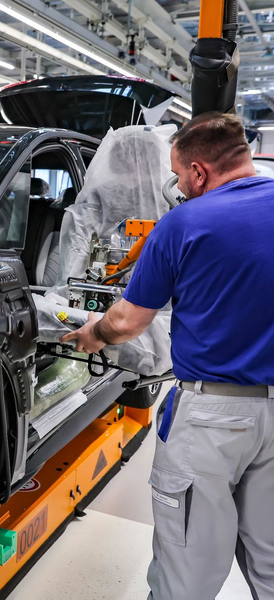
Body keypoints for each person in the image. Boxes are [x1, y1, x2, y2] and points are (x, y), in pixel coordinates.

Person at [60, 112, 274, 599]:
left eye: (178, 175)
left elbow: (127, 321)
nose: (177, 185)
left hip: (212, 420)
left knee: (186, 573)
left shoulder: (184, 223)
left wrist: (94, 333)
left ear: (199, 171)